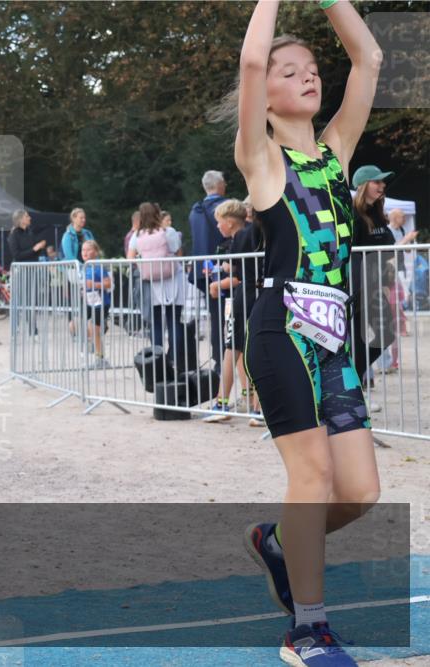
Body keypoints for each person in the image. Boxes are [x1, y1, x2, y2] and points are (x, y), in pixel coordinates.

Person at [224, 2, 382, 663]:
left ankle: (279, 540)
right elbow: (252, 59)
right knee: (312, 476)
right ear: (266, 100)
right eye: (291, 72)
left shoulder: (338, 149)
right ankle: (307, 629)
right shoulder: (261, 158)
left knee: (361, 491)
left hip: (334, 343)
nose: (307, 77)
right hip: (281, 331)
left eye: (313, 68)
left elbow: (368, 58)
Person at [203, 199, 254, 422]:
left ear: (231, 223)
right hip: (253, 293)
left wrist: (220, 278)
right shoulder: (253, 233)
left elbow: (238, 273)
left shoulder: (242, 237)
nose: (217, 227)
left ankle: (223, 403)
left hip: (246, 295)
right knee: (243, 349)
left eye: (219, 222)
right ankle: (251, 404)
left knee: (231, 348)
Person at [351, 165, 399, 384]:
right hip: (358, 285)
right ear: (363, 186)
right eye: (376, 182)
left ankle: (352, 377)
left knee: (385, 335)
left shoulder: (378, 213)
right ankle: (352, 385)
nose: (382, 185)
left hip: (376, 283)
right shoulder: (352, 214)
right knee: (358, 340)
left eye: (383, 182)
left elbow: (388, 248)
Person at [127, 202, 185, 367]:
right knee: (174, 320)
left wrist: (144, 265)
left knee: (156, 323)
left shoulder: (137, 235)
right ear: (158, 214)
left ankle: (158, 361)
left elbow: (130, 258)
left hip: (151, 283)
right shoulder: (168, 232)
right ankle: (174, 358)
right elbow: (177, 251)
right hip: (172, 279)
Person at [189, 170, 228, 371]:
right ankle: (228, 360)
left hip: (202, 272)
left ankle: (218, 360)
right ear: (219, 185)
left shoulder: (195, 210)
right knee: (230, 317)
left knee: (216, 316)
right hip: (223, 270)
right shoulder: (225, 207)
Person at [81, 239, 112, 366]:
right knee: (90, 329)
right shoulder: (84, 267)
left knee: (95, 330)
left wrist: (94, 284)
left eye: (88, 250)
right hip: (89, 302)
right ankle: (99, 356)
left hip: (101, 303)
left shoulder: (98, 267)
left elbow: (108, 283)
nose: (85, 252)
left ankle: (100, 359)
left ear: (96, 252)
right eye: (83, 250)